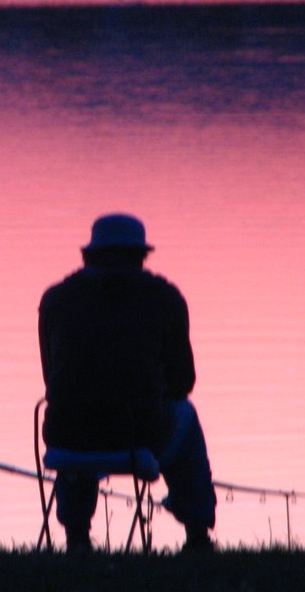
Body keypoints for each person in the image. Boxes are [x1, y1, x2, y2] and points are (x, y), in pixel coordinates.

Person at [38, 213, 216, 552]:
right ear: (141, 256)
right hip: (141, 436)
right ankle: (197, 533)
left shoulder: (56, 299)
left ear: (88, 255)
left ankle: (76, 535)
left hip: (66, 437)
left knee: (74, 412)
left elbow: (52, 379)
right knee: (186, 416)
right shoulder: (165, 298)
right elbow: (183, 382)